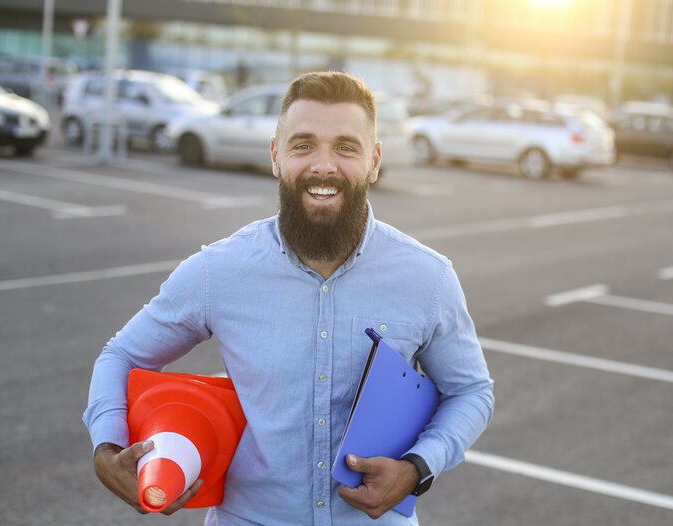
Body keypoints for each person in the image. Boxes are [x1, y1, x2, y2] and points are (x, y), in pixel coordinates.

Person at [83, 71, 494, 525]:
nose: (323, 165)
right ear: (276, 156)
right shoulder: (218, 271)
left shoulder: (427, 277)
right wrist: (108, 448)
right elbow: (120, 355)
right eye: (303, 145)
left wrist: (418, 468)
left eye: (346, 147)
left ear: (374, 161)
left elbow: (471, 391)